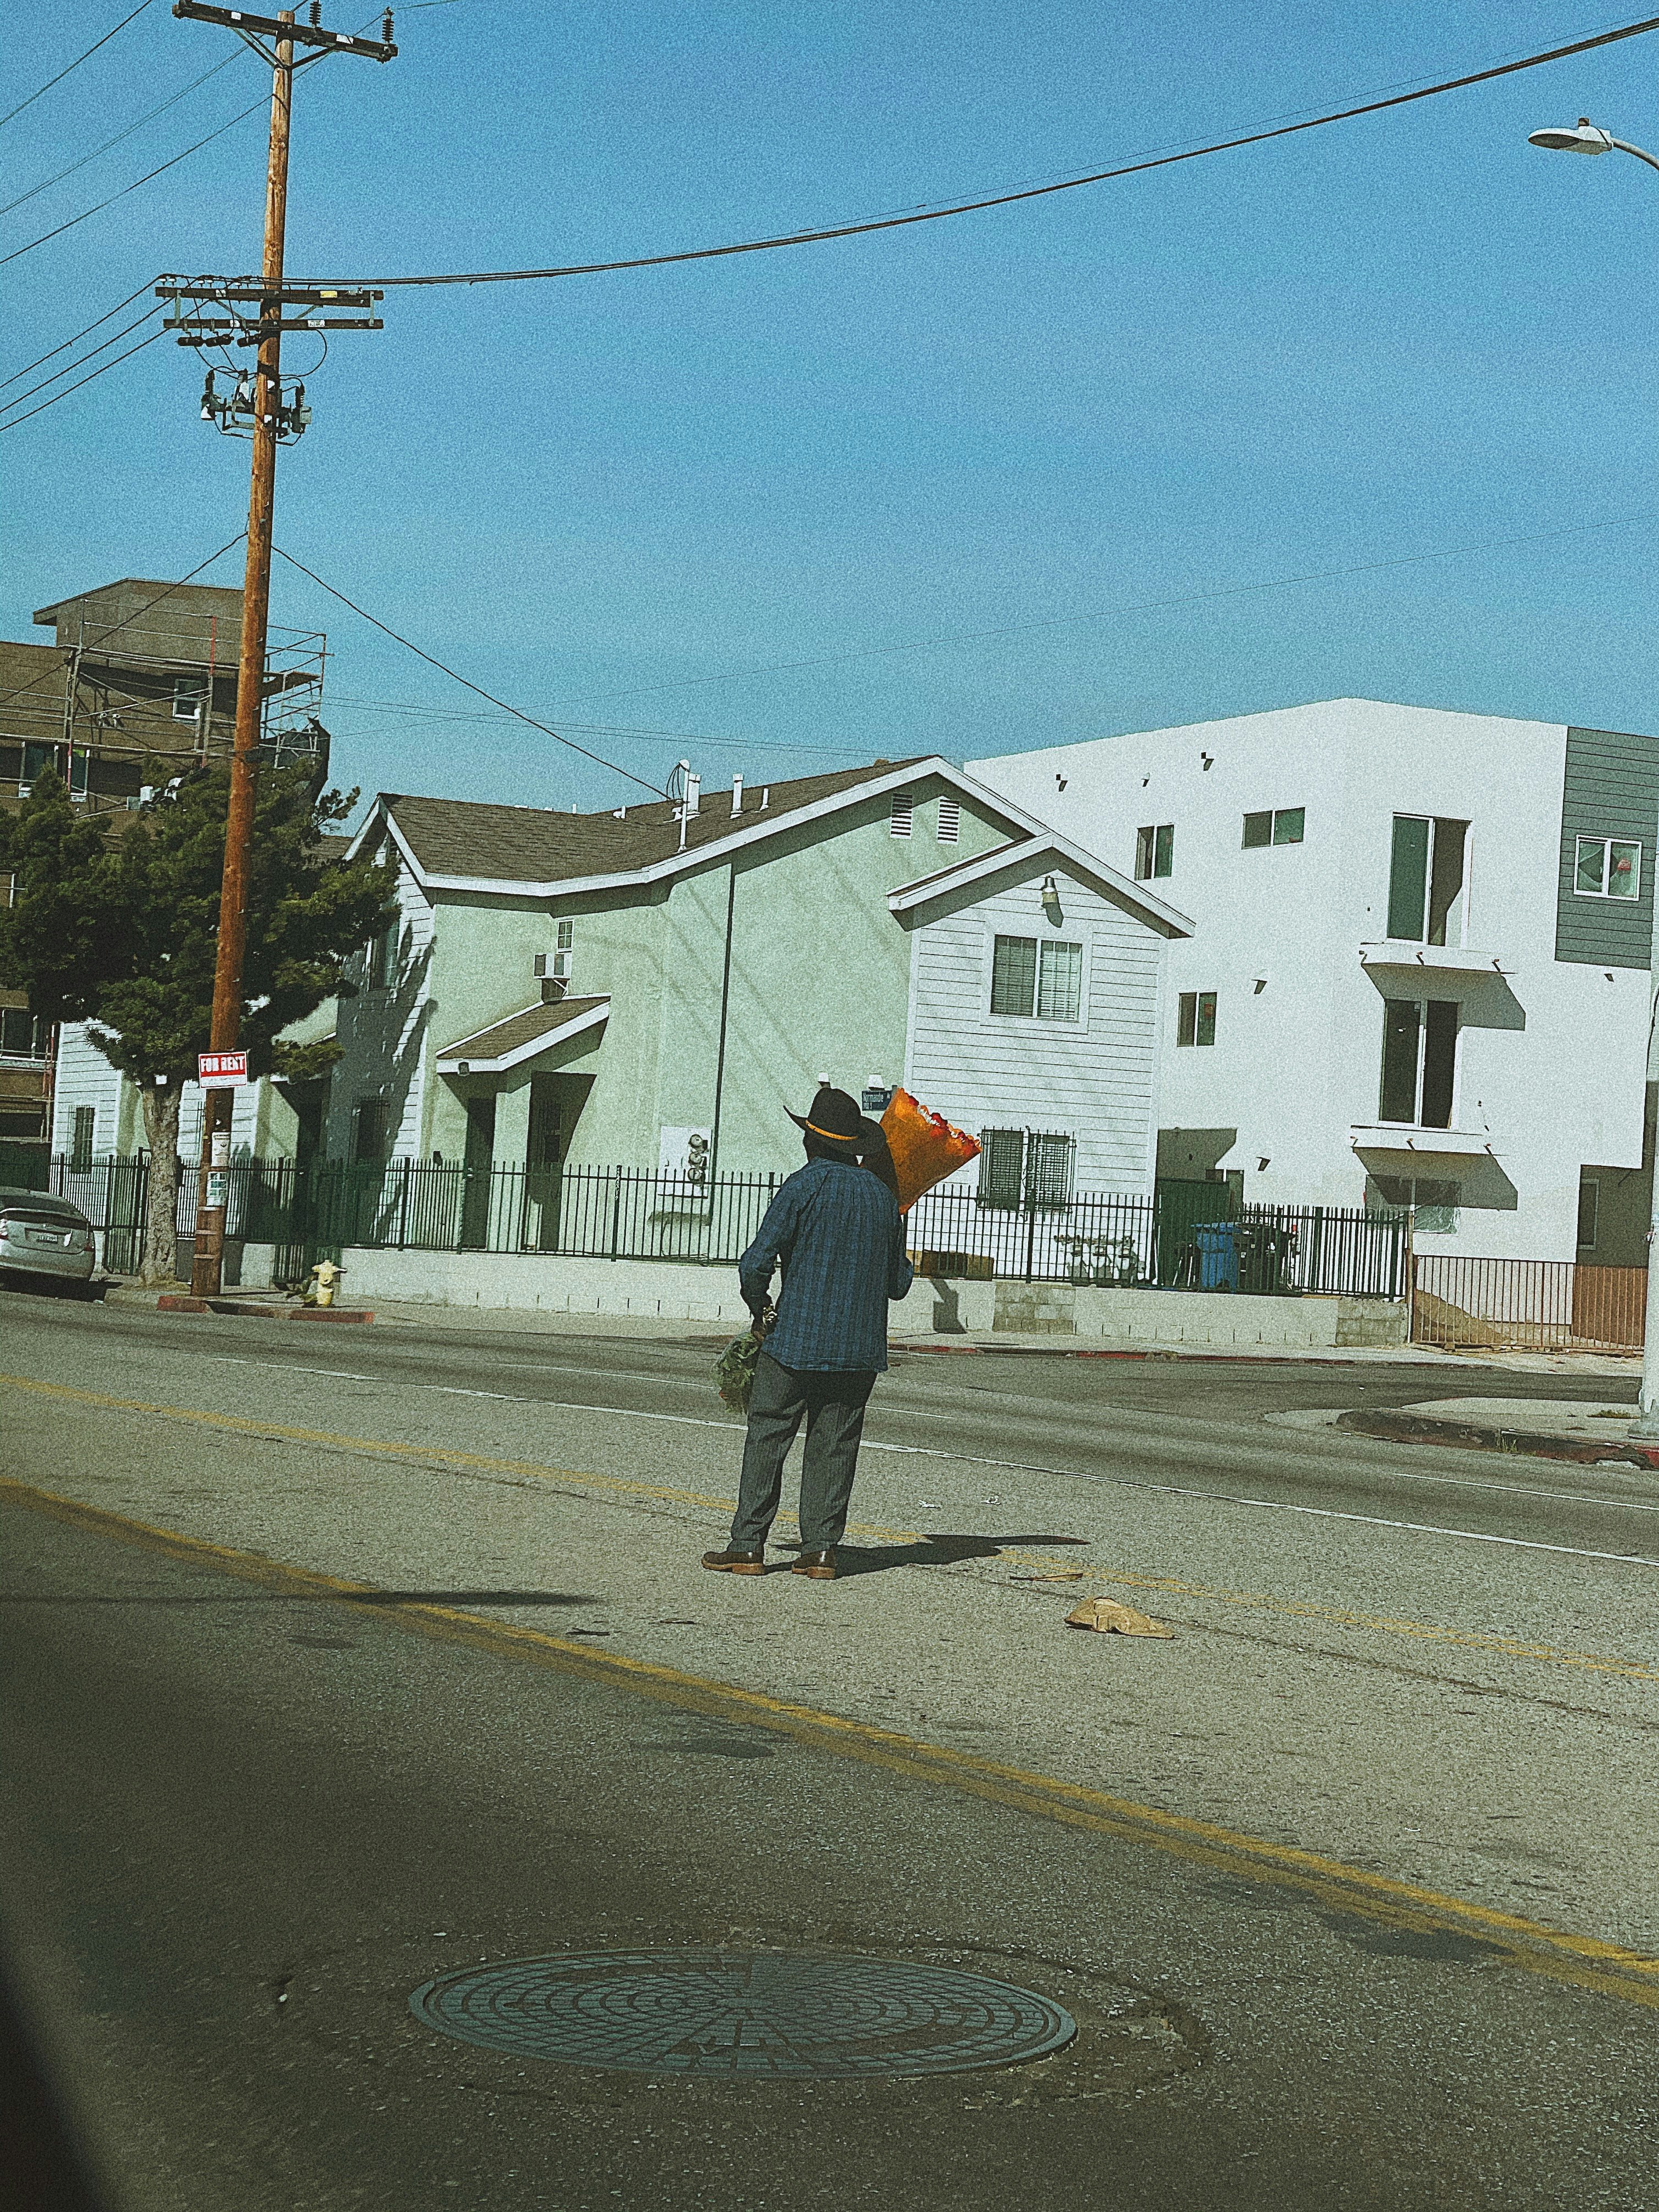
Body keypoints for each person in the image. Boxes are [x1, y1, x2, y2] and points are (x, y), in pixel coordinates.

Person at [702, 1084, 913, 1581]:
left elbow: (756, 1262)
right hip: (859, 1350)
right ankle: (820, 1551)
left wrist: (760, 1308)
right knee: (835, 1444)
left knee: (769, 1436)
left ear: (812, 1142)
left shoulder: (804, 1184)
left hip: (795, 1340)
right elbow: (898, 1284)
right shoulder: (883, 1198)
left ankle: (748, 1546)